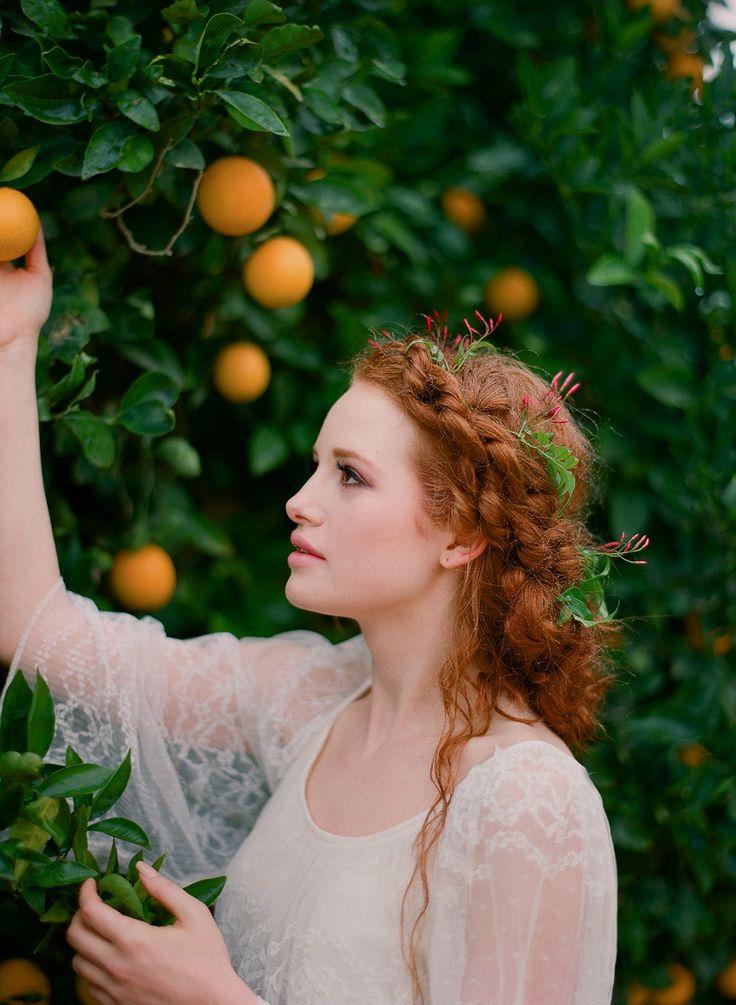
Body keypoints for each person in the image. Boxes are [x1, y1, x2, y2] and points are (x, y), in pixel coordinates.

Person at [0, 226, 618, 1005]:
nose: (300, 500)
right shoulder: (309, 698)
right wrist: (12, 342)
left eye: (350, 476)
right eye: (316, 466)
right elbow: (39, 630)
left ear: (462, 532)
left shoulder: (527, 801)